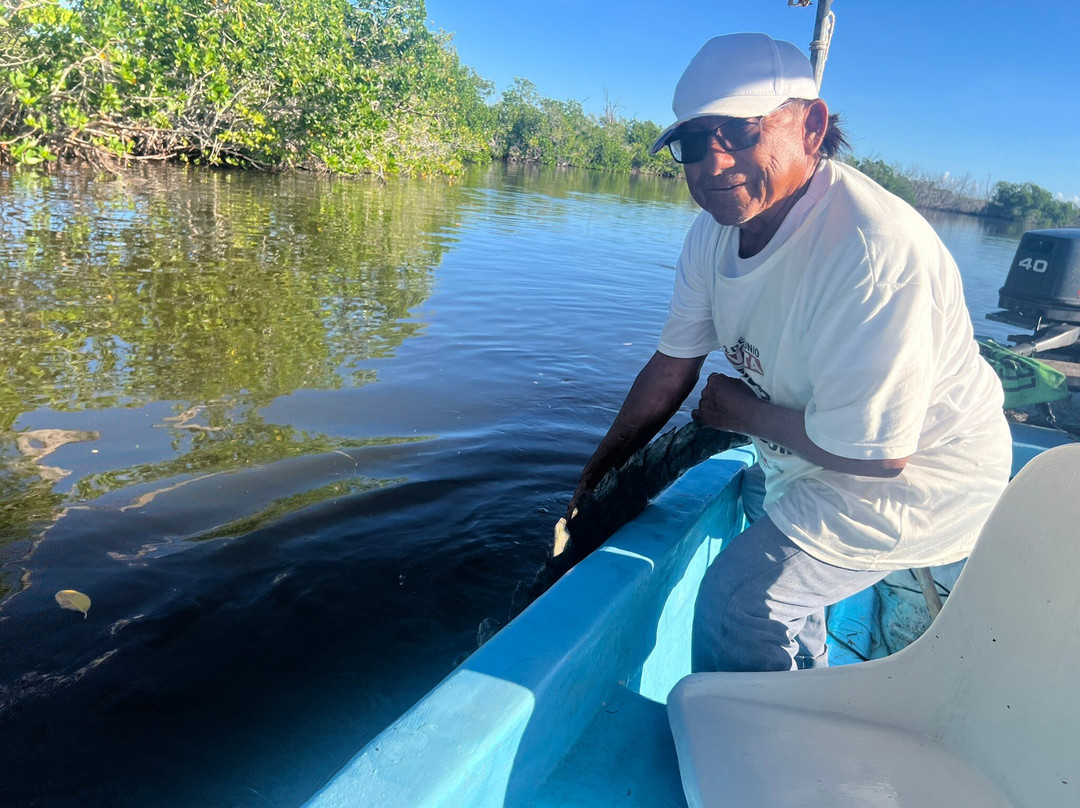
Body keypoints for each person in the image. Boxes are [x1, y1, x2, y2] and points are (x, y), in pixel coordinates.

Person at [565, 33, 1011, 673]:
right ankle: (802, 688)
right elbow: (671, 367)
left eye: (740, 132)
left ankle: (757, 734)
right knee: (754, 500)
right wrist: (597, 471)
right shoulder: (712, 235)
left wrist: (740, 413)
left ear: (812, 127)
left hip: (919, 481)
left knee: (736, 604)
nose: (713, 163)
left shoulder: (873, 254)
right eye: (694, 143)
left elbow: (878, 454)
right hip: (816, 451)